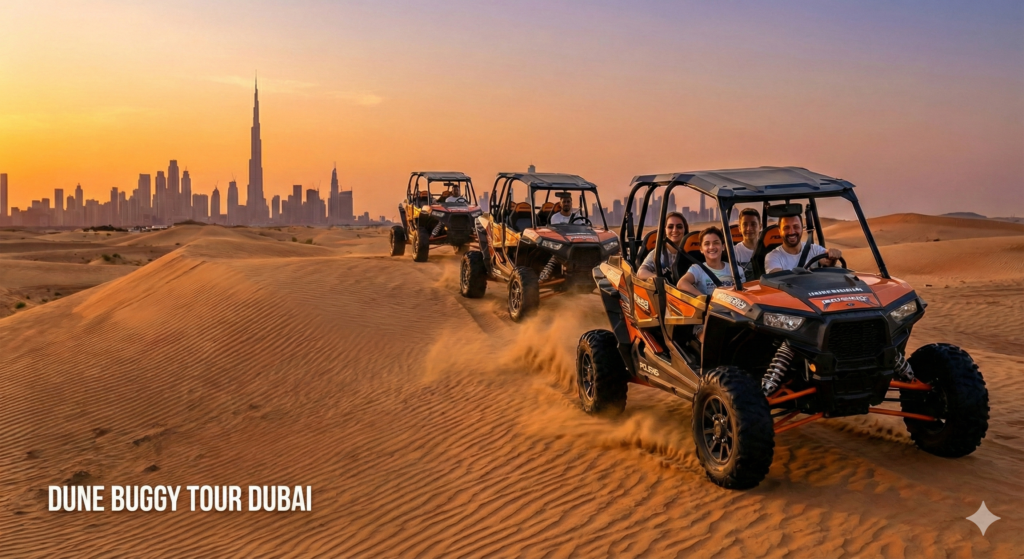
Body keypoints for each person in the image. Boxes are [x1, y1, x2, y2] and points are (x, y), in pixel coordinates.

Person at [678, 226, 746, 296]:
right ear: (701, 249)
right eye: (707, 244)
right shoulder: (697, 269)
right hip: (708, 306)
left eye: (716, 243)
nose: (711, 247)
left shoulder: (736, 269)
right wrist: (703, 298)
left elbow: (744, 293)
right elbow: (681, 283)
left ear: (723, 246)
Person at [765, 214, 842, 273]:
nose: (791, 232)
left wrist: (832, 257)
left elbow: (826, 262)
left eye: (796, 227)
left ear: (802, 228)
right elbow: (778, 282)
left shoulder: (814, 249)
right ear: (779, 231)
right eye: (786, 228)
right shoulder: (773, 257)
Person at [636, 212, 688, 280]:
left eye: (679, 227)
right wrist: (661, 279)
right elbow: (641, 273)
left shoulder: (691, 253)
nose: (675, 230)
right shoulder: (657, 254)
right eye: (670, 227)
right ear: (664, 230)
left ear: (685, 229)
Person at [733, 208, 760, 278]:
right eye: (745, 225)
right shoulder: (733, 252)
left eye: (753, 224)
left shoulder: (768, 250)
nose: (749, 228)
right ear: (739, 228)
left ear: (760, 227)